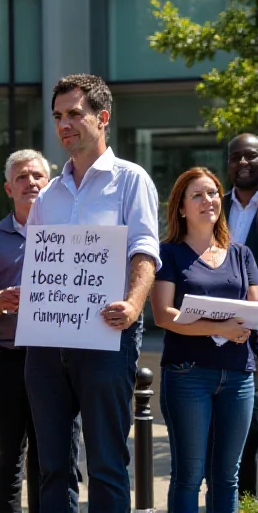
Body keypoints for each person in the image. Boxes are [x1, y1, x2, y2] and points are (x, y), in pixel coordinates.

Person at [21, 74, 161, 513]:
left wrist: (135, 304)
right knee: (53, 466)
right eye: (58, 116)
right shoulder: (48, 195)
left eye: (74, 114)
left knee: (106, 464)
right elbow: (39, 266)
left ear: (102, 118)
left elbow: (145, 250)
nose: (64, 124)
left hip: (107, 338)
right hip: (46, 345)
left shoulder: (131, 181)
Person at [151, 167, 257, 512]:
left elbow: (254, 309)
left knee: (228, 477)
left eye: (212, 193)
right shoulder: (168, 254)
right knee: (189, 475)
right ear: (181, 208)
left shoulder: (242, 255)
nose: (207, 200)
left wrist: (237, 323)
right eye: (196, 195)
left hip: (239, 375)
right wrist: (221, 327)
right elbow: (164, 315)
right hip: (188, 375)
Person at [0, 149, 51, 513]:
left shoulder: (68, 236)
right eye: (21, 177)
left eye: (37, 176)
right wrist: (0, 301)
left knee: (50, 453)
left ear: (48, 184)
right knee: (9, 454)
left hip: (55, 356)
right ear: (8, 188)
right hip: (9, 358)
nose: (30, 182)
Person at [226, 133, 258, 497]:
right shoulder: (212, 206)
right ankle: (242, 501)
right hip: (221, 332)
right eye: (236, 157)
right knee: (238, 431)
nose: (243, 163)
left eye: (251, 156)